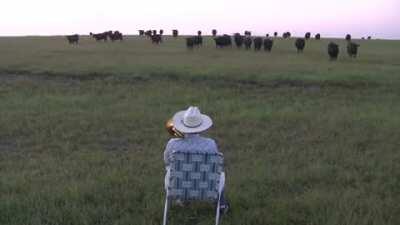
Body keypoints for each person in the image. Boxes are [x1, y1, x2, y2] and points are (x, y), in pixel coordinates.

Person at [164, 106, 229, 213]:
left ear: (183, 125)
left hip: (177, 185)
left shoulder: (173, 144)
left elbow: (166, 162)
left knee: (174, 170)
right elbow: (214, 167)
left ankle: (183, 198)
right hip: (205, 186)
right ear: (201, 126)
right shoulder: (210, 144)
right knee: (219, 174)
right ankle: (221, 205)